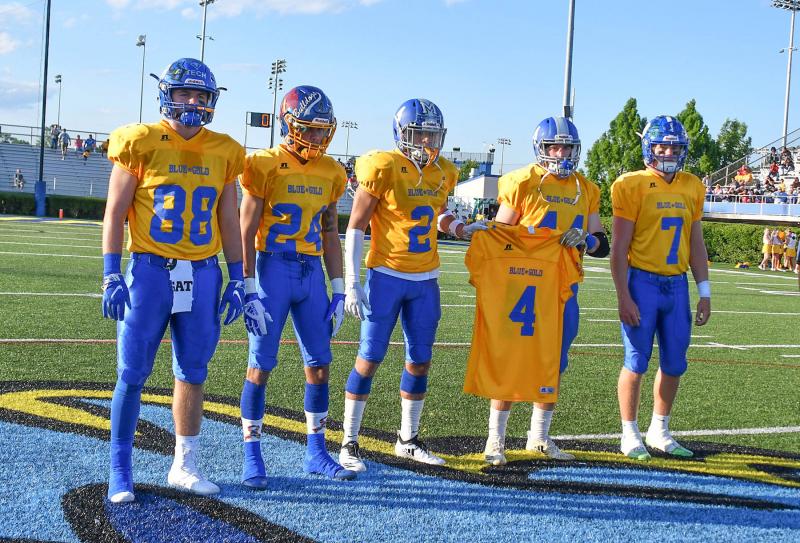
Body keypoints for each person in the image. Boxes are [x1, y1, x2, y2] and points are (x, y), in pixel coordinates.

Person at [101, 58, 246, 503]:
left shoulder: (224, 149)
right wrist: (110, 272)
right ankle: (120, 470)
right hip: (150, 271)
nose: (194, 102)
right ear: (167, 94)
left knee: (193, 372)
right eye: (185, 93)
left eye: (202, 95)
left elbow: (229, 218)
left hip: (202, 273)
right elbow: (115, 212)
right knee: (132, 372)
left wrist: (238, 278)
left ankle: (184, 465)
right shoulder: (139, 141)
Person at [338, 98, 486, 472]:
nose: (426, 141)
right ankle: (349, 440)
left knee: (420, 361)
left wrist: (460, 228)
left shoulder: (443, 171)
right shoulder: (383, 166)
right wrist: (352, 281)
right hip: (386, 276)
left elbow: (438, 213)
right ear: (402, 134)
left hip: (425, 279)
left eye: (432, 135)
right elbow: (355, 226)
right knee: (369, 358)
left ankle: (407, 439)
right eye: (419, 134)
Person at [237, 85, 356, 488]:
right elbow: (246, 228)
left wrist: (338, 287)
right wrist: (248, 286)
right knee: (260, 366)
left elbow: (329, 231)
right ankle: (252, 454)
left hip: (311, 273)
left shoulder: (332, 171)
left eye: (323, 129)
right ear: (289, 125)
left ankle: (316, 452)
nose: (318, 136)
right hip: (272, 268)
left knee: (320, 365)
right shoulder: (264, 163)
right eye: (310, 128)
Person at [481, 116, 608, 465]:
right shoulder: (523, 182)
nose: (561, 153)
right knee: (513, 360)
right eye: (555, 147)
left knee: (555, 363)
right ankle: (495, 439)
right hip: (525, 286)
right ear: (542, 149)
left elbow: (602, 244)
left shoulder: (585, 188)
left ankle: (538, 436)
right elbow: (500, 234)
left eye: (567, 148)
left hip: (565, 287)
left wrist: (587, 239)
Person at [610, 115, 710, 460]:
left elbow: (696, 243)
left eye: (674, 147)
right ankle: (628, 433)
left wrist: (705, 291)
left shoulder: (692, 185)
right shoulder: (631, 184)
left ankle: (660, 430)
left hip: (677, 285)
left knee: (675, 362)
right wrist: (623, 295)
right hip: (643, 282)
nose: (668, 152)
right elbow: (619, 248)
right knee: (636, 361)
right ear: (648, 147)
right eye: (662, 146)